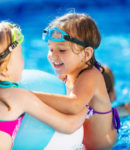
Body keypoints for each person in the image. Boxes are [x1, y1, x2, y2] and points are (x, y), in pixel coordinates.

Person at [34, 13, 120, 150]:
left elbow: (73, 105)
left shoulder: (91, 76)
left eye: (62, 50)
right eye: (51, 49)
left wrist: (28, 95)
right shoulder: (66, 76)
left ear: (86, 54)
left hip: (107, 146)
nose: (53, 56)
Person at [0, 21, 87, 150]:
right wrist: (84, 109)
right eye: (20, 55)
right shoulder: (17, 96)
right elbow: (68, 126)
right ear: (5, 69)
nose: (23, 61)